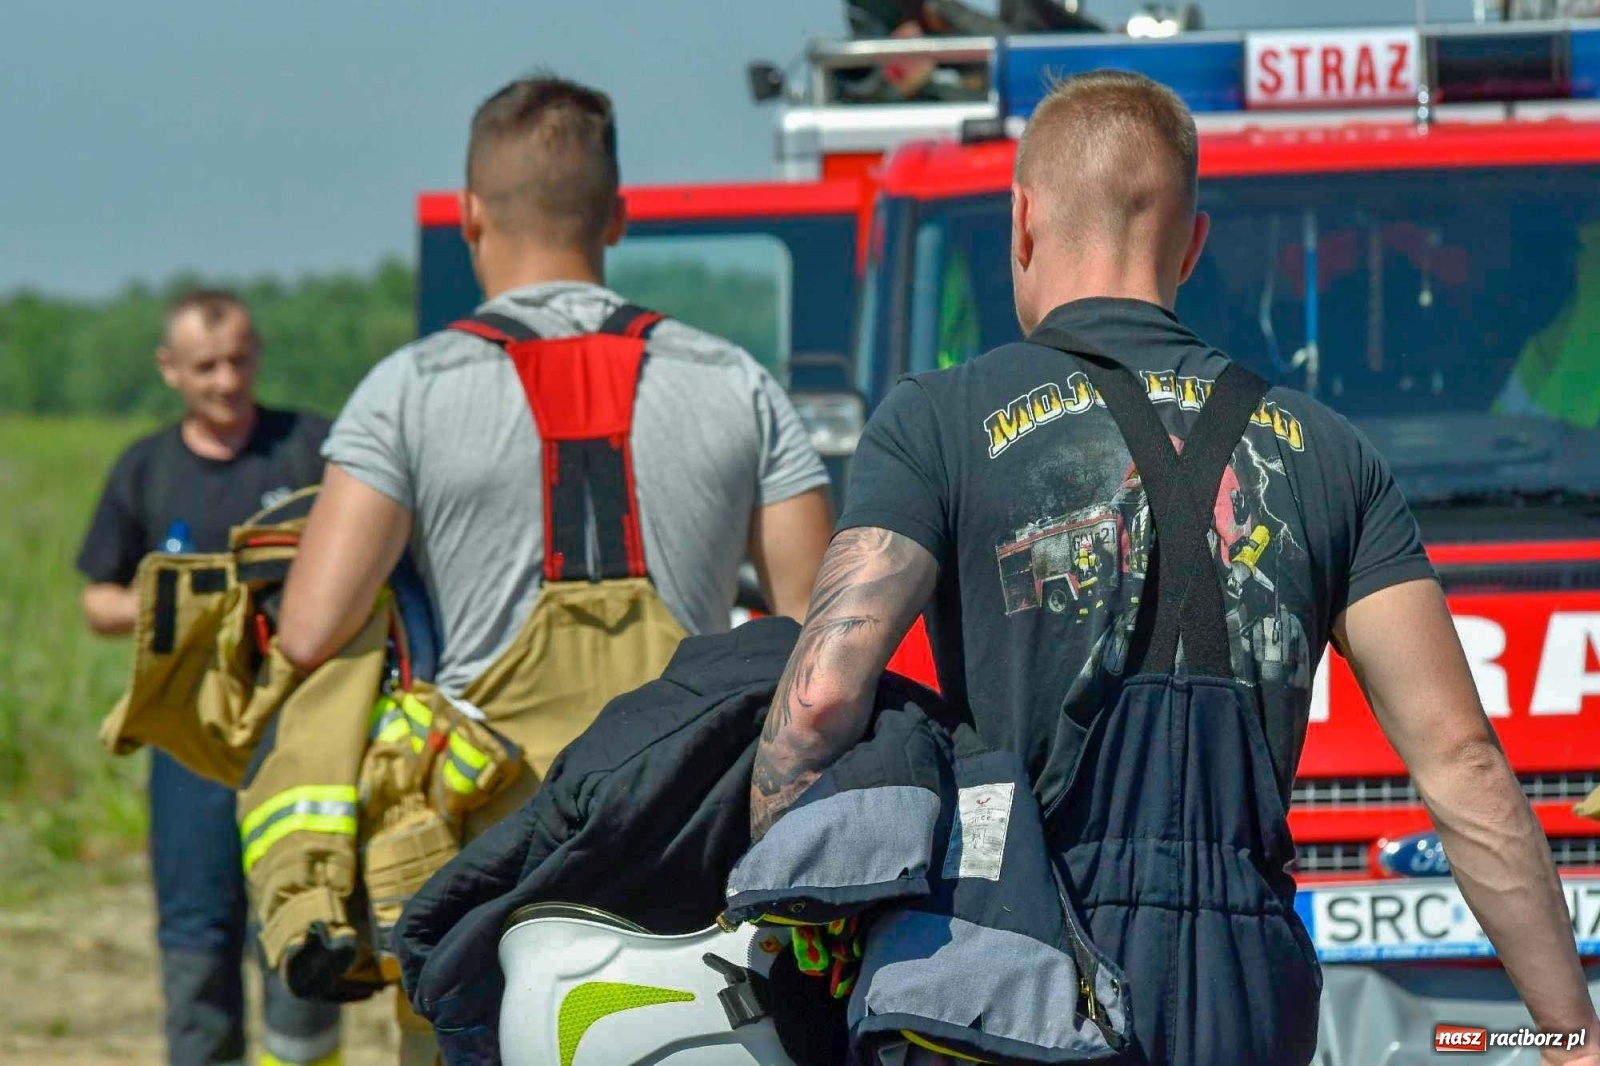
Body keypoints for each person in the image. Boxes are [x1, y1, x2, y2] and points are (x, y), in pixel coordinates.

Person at [749, 71, 1600, 1065]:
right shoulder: (1327, 450)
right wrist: (1568, 1028)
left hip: (1007, 957)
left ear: (1020, 223)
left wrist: (791, 923)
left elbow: (815, 701)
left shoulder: (936, 419)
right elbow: (1461, 765)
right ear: (1191, 245)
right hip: (1246, 978)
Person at [274, 74, 835, 1062]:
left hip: (485, 873)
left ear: (468, 215)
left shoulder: (405, 393)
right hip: (680, 862)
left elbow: (312, 630)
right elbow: (814, 631)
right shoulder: (737, 384)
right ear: (618, 215)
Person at [77, 290, 343, 1066]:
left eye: (238, 361)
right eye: (206, 367)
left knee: (302, 923)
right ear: (170, 370)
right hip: (189, 748)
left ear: (257, 354)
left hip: (300, 744)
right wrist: (186, 607)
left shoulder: (311, 448)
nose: (226, 382)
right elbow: (97, 601)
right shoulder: (146, 468)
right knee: (197, 936)